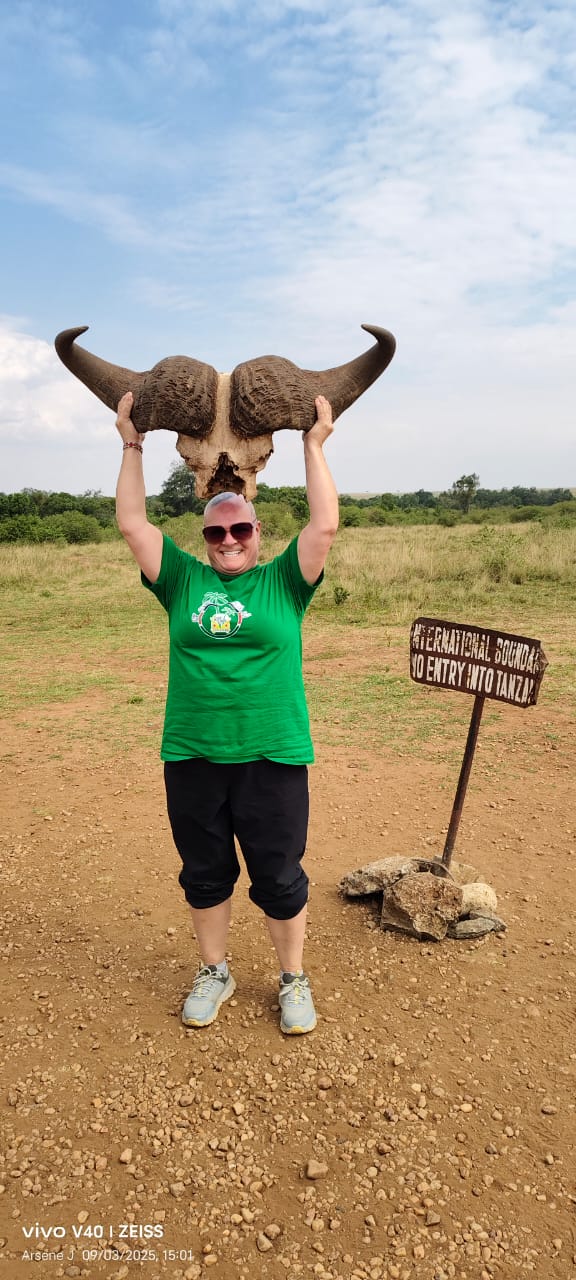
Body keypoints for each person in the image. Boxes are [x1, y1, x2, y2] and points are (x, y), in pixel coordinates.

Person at [115, 390, 338, 1034]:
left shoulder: (284, 583)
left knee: (278, 871)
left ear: (257, 533)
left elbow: (323, 525)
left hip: (272, 752)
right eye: (217, 530)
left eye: (240, 528)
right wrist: (132, 443)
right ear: (204, 537)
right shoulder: (182, 580)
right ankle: (215, 969)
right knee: (204, 870)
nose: (229, 539)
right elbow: (133, 523)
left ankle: (292, 978)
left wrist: (311, 445)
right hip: (193, 752)